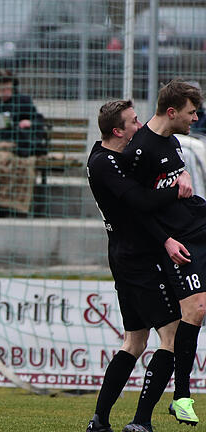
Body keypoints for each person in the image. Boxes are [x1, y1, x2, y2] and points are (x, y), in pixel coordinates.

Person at [86, 99, 192, 432]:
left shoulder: (111, 157)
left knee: (134, 341)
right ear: (118, 131)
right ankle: (141, 422)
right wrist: (178, 190)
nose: (140, 125)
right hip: (136, 258)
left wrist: (178, 170)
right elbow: (141, 202)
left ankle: (100, 420)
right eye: (134, 122)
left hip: (125, 254)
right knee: (172, 333)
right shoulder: (105, 164)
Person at [122, 80, 206, 428]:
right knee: (196, 308)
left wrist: (183, 173)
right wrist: (166, 241)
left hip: (197, 223)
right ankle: (182, 396)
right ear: (172, 111)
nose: (196, 117)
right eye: (191, 112)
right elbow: (135, 209)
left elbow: (173, 177)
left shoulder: (172, 142)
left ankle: (179, 397)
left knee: (196, 310)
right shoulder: (139, 151)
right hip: (177, 241)